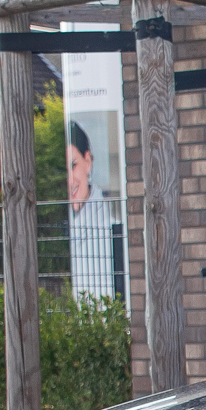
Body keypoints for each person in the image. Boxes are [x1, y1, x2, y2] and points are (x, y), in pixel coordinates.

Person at [66, 122, 120, 297]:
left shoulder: (109, 227)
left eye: (74, 165)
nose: (70, 181)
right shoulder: (68, 224)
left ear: (87, 162)